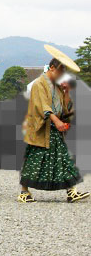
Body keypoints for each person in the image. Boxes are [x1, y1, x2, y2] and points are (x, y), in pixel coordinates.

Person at [18, 45, 90, 203]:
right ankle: (24, 192)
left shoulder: (57, 86)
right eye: (60, 72)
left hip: (54, 129)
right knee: (34, 161)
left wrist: (66, 92)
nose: (62, 76)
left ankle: (72, 191)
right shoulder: (39, 84)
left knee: (64, 159)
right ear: (52, 68)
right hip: (41, 128)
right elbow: (42, 106)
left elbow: (64, 109)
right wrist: (56, 121)